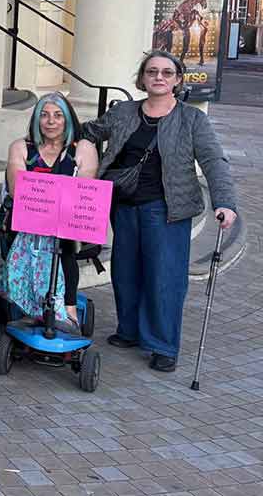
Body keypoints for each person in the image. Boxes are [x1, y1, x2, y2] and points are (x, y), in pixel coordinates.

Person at [83, 49, 237, 373]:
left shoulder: (192, 118)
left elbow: (213, 161)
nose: (159, 77)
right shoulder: (124, 112)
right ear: (142, 78)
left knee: (164, 278)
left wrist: (225, 202)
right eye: (152, 72)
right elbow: (89, 131)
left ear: (177, 80)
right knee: (125, 272)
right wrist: (61, 139)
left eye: (167, 73)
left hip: (167, 209)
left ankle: (163, 344)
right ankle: (130, 330)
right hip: (124, 205)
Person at [0, 92, 97, 332]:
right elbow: (17, 188)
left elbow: (83, 191)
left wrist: (48, 198)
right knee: (32, 239)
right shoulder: (21, 147)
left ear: (68, 119)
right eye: (45, 115)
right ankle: (28, 305)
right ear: (36, 120)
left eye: (58, 115)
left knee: (64, 242)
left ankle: (68, 309)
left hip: (66, 223)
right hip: (27, 219)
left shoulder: (83, 148)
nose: (51, 121)